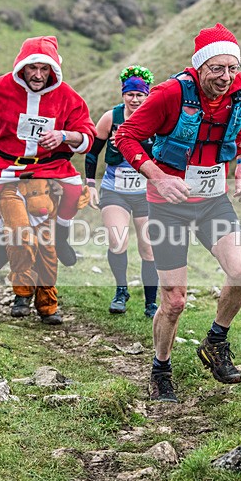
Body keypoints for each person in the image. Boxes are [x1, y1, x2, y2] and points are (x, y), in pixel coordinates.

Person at [116, 23, 241, 403]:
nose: (226, 77)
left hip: (212, 201)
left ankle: (215, 342)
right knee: (174, 301)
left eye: (232, 68)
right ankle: (160, 369)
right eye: (217, 69)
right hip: (168, 207)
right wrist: (158, 177)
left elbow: (240, 127)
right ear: (199, 67)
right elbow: (125, 136)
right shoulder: (168, 94)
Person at [0, 36, 96, 322]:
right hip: (4, 162)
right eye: (33, 68)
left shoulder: (68, 96)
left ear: (53, 70)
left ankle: (64, 236)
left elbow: (87, 135)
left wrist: (63, 136)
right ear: (22, 67)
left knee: (73, 189)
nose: (38, 75)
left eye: (45, 70)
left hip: (49, 164)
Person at [85, 65, 159, 319]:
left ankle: (151, 302)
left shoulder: (156, 119)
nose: (135, 99)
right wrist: (89, 184)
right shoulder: (111, 118)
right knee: (117, 241)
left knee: (148, 247)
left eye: (140, 95)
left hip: (145, 192)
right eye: (130, 94)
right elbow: (93, 152)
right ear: (123, 94)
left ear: (147, 95)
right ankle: (121, 290)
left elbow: (166, 152)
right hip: (114, 189)